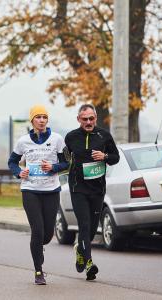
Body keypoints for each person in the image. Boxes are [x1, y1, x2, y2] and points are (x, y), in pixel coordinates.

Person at [8, 105, 69, 285]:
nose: (42, 120)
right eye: (38, 117)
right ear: (32, 120)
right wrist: (19, 172)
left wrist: (53, 168)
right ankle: (38, 271)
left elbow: (67, 162)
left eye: (44, 117)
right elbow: (12, 161)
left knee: (48, 234)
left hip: (51, 190)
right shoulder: (23, 141)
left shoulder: (57, 139)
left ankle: (39, 247)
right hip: (30, 190)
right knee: (37, 230)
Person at [65, 104, 120, 280]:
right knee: (84, 224)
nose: (88, 122)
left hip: (97, 189)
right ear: (78, 119)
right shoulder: (71, 137)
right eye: (84, 119)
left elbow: (116, 157)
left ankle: (80, 249)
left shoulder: (104, 135)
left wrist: (104, 157)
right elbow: (64, 158)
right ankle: (89, 264)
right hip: (78, 188)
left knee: (92, 228)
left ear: (96, 118)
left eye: (91, 118)